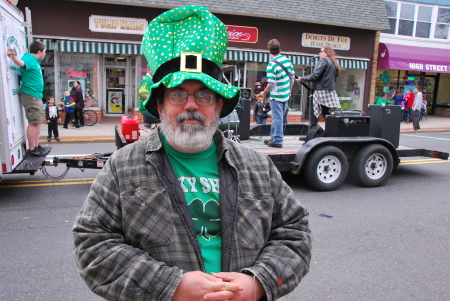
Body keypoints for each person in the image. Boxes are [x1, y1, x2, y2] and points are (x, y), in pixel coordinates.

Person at [73, 5, 312, 301]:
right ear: (159, 105)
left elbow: (295, 233)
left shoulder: (257, 167)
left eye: (203, 95)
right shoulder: (122, 168)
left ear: (219, 106)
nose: (191, 105)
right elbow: (91, 244)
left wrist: (258, 283)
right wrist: (170, 287)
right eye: (177, 94)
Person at [7, 40, 49, 156]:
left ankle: (36, 145)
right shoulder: (29, 59)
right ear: (39, 51)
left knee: (38, 121)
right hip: (31, 96)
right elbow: (21, 63)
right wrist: (14, 58)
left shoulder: (34, 60)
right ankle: (32, 149)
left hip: (36, 95)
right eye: (44, 52)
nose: (45, 54)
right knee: (33, 122)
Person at [296, 46, 341, 133]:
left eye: (321, 51)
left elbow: (315, 76)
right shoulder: (333, 63)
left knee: (314, 113)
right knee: (325, 112)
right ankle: (333, 130)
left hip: (320, 91)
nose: (319, 53)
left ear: (326, 53)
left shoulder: (323, 61)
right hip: (329, 90)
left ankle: (312, 133)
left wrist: (302, 79)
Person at [259, 39, 295, 148]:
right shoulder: (287, 61)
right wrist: (290, 88)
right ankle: (274, 137)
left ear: (269, 51)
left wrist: (264, 93)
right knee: (279, 117)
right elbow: (292, 76)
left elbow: (271, 83)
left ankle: (278, 141)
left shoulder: (271, 65)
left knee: (277, 118)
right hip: (285, 94)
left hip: (276, 95)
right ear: (279, 49)